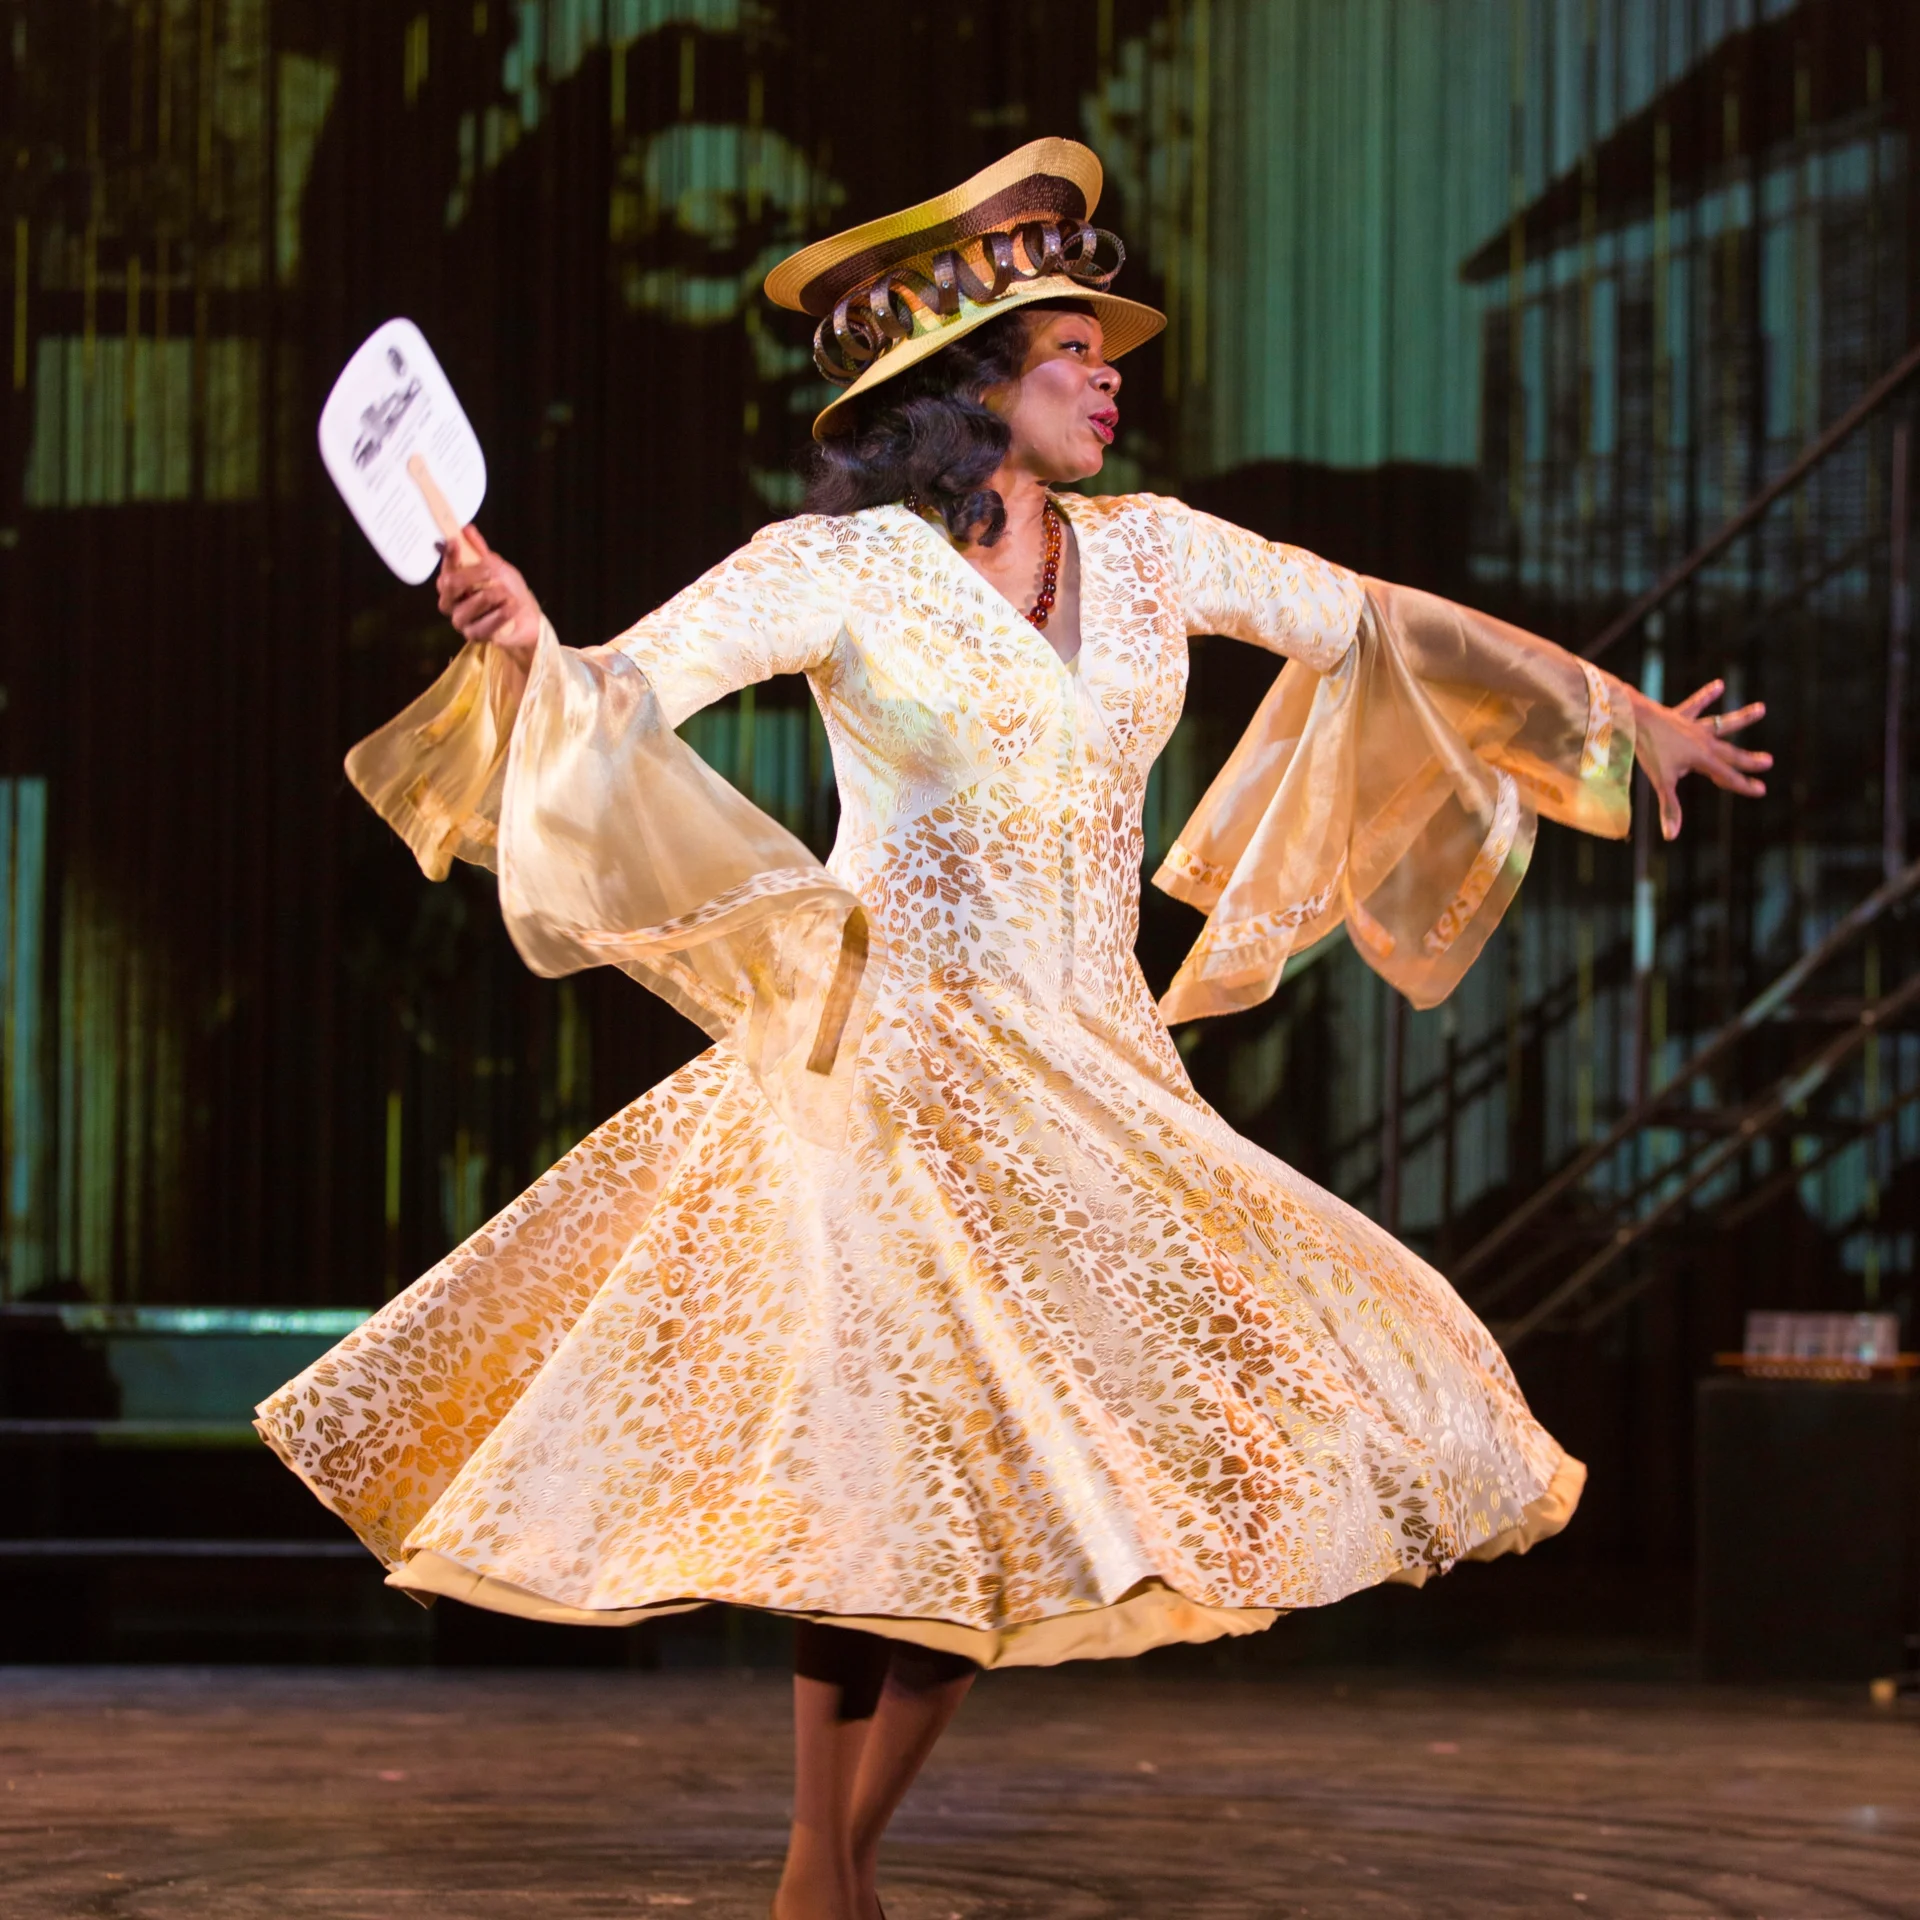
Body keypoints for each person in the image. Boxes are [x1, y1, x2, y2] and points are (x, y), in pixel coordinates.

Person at [259, 140, 1768, 1920]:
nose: (1113, 371)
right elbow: (620, 699)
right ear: (971, 379)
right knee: (893, 1475)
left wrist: (1615, 736)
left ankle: (834, 1862)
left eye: (1109, 351)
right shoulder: (831, 570)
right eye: (1074, 350)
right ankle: (824, 1868)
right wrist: (524, 644)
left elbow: (1374, 624)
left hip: (1091, 1077)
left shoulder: (1151, 558)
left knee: (1028, 1480)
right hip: (885, 1078)